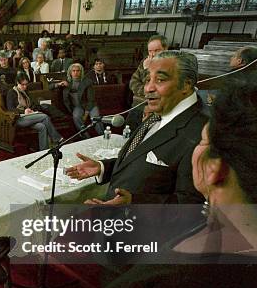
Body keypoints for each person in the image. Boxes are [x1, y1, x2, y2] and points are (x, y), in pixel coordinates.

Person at [65, 79, 257, 288]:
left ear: (215, 169)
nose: (148, 88)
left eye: (205, 143)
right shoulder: (145, 118)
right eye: (147, 77)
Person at [66, 51, 207, 205]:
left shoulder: (204, 133)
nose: (148, 88)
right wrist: (102, 167)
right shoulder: (160, 112)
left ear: (186, 84)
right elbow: (139, 161)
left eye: (160, 80)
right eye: (147, 80)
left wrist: (134, 203)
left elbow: (190, 204)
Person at [6, 73, 62, 150]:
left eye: (26, 84)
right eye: (23, 84)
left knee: (42, 126)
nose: (25, 87)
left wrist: (32, 109)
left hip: (29, 117)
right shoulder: (11, 92)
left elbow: (30, 104)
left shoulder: (25, 92)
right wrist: (24, 111)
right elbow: (10, 108)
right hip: (18, 118)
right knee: (45, 117)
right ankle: (57, 139)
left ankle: (43, 150)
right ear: (17, 83)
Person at [60, 63, 103, 136]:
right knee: (76, 116)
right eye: (73, 71)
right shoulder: (67, 82)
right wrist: (58, 84)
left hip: (90, 105)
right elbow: (50, 86)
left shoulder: (87, 81)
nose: (75, 73)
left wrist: (86, 114)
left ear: (81, 72)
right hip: (78, 106)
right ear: (70, 72)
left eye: (78, 71)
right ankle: (85, 136)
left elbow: (91, 99)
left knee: (95, 118)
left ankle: (102, 135)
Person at [129, 35, 168, 106]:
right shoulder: (145, 61)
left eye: (157, 51)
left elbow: (152, 88)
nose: (152, 55)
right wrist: (146, 92)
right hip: (138, 103)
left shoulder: (170, 65)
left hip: (157, 105)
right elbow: (132, 83)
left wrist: (147, 69)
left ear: (165, 49)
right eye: (150, 51)